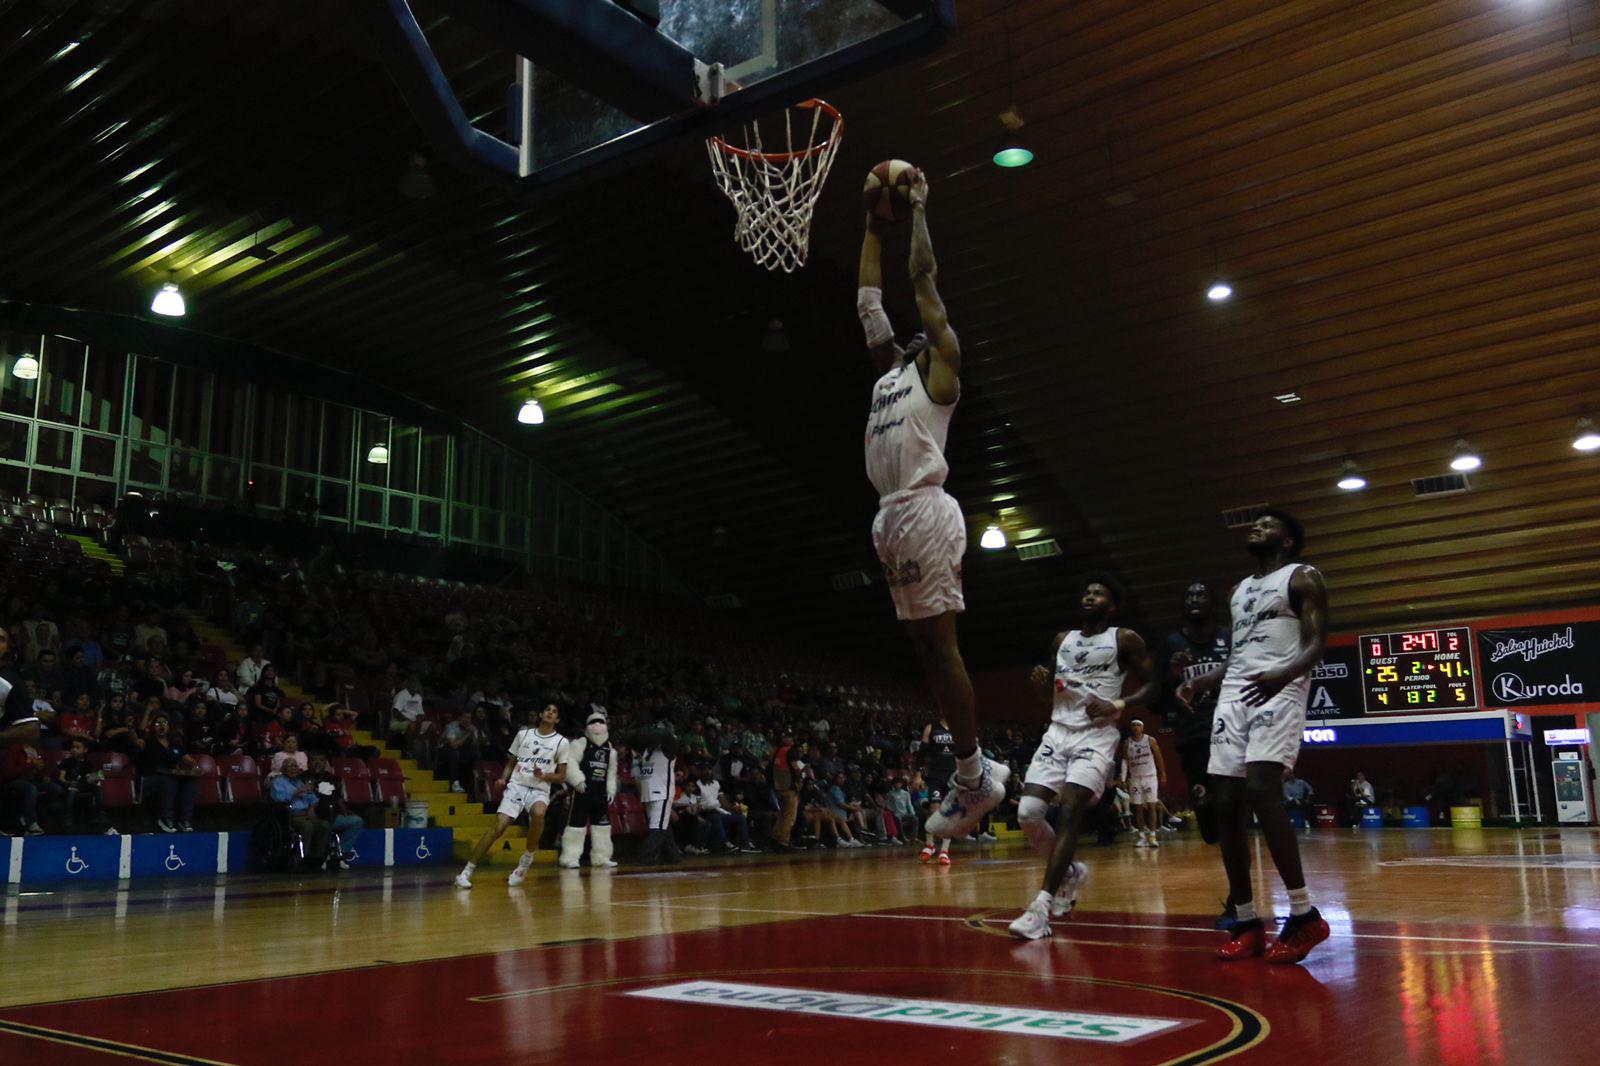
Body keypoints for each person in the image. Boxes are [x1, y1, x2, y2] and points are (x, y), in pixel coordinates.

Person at [858, 170, 1008, 843]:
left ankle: (975, 778)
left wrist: (916, 209)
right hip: (889, 515)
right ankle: (975, 768)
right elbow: (867, 300)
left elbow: (922, 284)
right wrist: (869, 223)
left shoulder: (939, 368)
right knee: (922, 645)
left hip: (924, 506)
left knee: (941, 641)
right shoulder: (889, 374)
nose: (911, 334)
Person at [1179, 510, 1331, 964]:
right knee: (1225, 799)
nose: (1257, 528)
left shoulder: (1302, 577)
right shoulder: (1239, 590)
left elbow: (1316, 643)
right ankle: (1246, 920)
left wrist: (1282, 675)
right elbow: (1240, 656)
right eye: (1256, 523)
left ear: (1288, 540)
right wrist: (1201, 681)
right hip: (1234, 694)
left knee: (1263, 789)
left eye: (1268, 524)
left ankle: (1304, 915)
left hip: (1280, 690)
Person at [1008, 574, 1158, 940]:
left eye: (1099, 593)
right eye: (1087, 592)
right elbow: (1050, 695)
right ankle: (1070, 873)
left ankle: (1041, 907)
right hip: (1057, 732)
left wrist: (1117, 703)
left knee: (1071, 811)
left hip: (1097, 735)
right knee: (1027, 813)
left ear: (1112, 606)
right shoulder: (1063, 640)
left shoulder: (1123, 638)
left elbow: (1156, 685)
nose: (1090, 596)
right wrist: (1039, 685)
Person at [455, 703, 569, 889]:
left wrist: (545, 776)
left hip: (540, 788)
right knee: (499, 826)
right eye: (547, 709)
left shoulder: (561, 742)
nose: (550, 712)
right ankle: (466, 872)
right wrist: (502, 778)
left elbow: (562, 775)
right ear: (540, 714)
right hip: (517, 786)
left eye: (555, 711)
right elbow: (510, 762)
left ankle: (525, 860)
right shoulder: (523, 735)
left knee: (539, 814)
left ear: (557, 720)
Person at [1160, 582, 1230, 848]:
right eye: (1189, 595)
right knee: (1208, 820)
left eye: (1201, 594)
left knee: (1229, 797)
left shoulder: (1228, 636)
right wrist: (1173, 674)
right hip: (1192, 733)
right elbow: (1158, 695)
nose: (1194, 599)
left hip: (1228, 727)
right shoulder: (1172, 644)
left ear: (1212, 602)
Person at [558, 709, 619, 870]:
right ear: (587, 726)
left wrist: (611, 789)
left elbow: (611, 772)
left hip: (601, 794)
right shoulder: (581, 743)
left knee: (602, 827)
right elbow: (570, 762)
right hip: (582, 792)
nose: (597, 725)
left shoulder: (610, 749)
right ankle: (569, 858)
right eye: (593, 722)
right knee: (576, 825)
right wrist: (577, 780)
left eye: (601, 722)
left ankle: (602, 857)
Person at [139, 714, 201, 833]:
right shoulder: (148, 742)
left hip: (172, 775)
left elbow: (190, 761)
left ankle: (185, 820)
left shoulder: (174, 743)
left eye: (164, 723)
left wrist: (196, 768)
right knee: (169, 781)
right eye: (157, 724)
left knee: (190, 781)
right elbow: (149, 766)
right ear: (152, 727)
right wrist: (171, 771)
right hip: (151, 777)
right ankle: (166, 818)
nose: (161, 726)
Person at [270, 759, 333, 867]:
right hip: (291, 814)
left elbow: (313, 799)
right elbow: (280, 799)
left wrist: (312, 807)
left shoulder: (299, 782)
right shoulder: (278, 782)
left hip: (307, 814)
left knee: (324, 825)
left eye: (295, 766)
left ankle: (318, 858)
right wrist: (299, 791)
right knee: (307, 826)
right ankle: (304, 857)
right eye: (290, 766)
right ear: (283, 769)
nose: (293, 769)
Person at [918, 718, 957, 865]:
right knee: (934, 809)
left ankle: (944, 851)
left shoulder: (959, 728)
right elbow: (921, 753)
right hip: (935, 774)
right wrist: (918, 774)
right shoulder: (931, 727)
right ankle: (929, 845)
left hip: (953, 775)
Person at [1123, 719, 1166, 849]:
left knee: (1152, 805)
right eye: (1133, 725)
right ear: (1131, 728)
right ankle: (1141, 836)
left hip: (1150, 777)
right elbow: (1125, 761)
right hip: (1135, 778)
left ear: (1142, 727)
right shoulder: (1126, 743)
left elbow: (1158, 757)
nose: (1136, 727)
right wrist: (1124, 778)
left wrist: (1163, 774)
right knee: (1138, 807)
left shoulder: (1150, 740)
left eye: (1138, 725)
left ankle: (1152, 835)